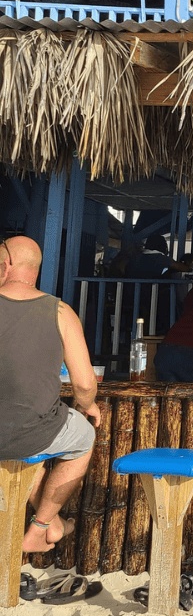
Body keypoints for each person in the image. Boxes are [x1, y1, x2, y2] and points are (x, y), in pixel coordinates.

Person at [0, 236, 100, 553]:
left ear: (5, 266)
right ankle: (42, 526)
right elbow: (84, 384)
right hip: (31, 433)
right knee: (83, 437)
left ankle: (51, 525)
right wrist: (89, 405)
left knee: (34, 454)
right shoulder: (60, 312)